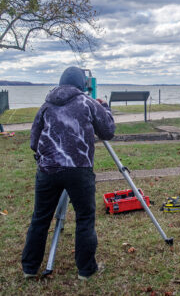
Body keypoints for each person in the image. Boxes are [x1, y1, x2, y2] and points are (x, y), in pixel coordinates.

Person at [22, 66, 115, 280]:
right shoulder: (87, 103)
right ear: (82, 85)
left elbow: (34, 142)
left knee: (40, 218)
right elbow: (108, 131)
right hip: (79, 169)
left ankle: (29, 267)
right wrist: (105, 108)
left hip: (48, 170)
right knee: (84, 218)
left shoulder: (46, 105)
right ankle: (86, 269)